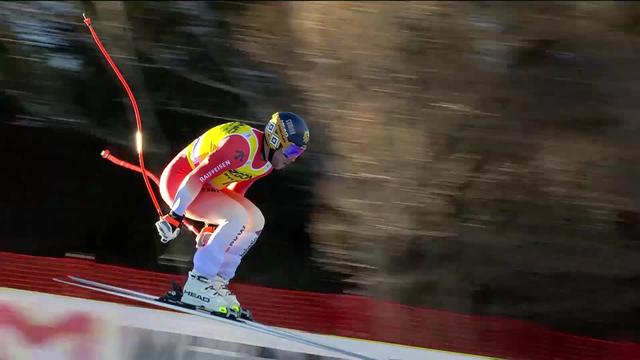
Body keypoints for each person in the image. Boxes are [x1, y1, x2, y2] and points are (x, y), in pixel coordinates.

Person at [154, 112, 309, 318]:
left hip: (205, 188)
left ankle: (217, 280)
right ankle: (199, 282)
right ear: (274, 139)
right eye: (291, 150)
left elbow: (236, 191)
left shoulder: (265, 164)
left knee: (255, 220)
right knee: (237, 216)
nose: (293, 159)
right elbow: (196, 177)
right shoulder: (240, 147)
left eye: (299, 153)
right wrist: (175, 217)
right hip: (180, 182)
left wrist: (213, 226)